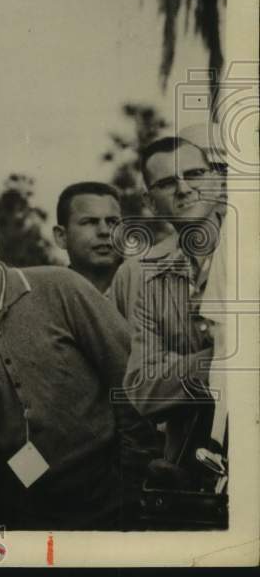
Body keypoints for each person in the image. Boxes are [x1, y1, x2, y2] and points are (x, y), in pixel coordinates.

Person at [0, 205, 131, 530]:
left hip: (111, 493)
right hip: (33, 512)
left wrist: (136, 473)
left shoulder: (62, 287)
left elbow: (129, 373)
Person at [110, 136, 226, 491]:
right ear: (149, 201)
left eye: (195, 174)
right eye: (166, 182)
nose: (184, 188)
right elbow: (143, 390)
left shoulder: (250, 249)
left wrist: (174, 368)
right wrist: (222, 360)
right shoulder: (146, 274)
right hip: (188, 475)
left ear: (216, 180)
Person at [53, 182, 124, 294]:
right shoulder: (47, 296)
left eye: (112, 222)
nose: (104, 231)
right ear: (61, 236)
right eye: (90, 222)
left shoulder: (145, 290)